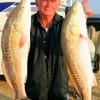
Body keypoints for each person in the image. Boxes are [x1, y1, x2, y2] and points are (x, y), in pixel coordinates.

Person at [25, 0, 93, 99]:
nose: (48, 4)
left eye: (53, 0)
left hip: (60, 94)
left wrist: (82, 19)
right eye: (44, 0)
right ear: (36, 2)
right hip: (33, 94)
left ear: (59, 3)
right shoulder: (26, 24)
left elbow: (78, 48)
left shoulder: (66, 25)